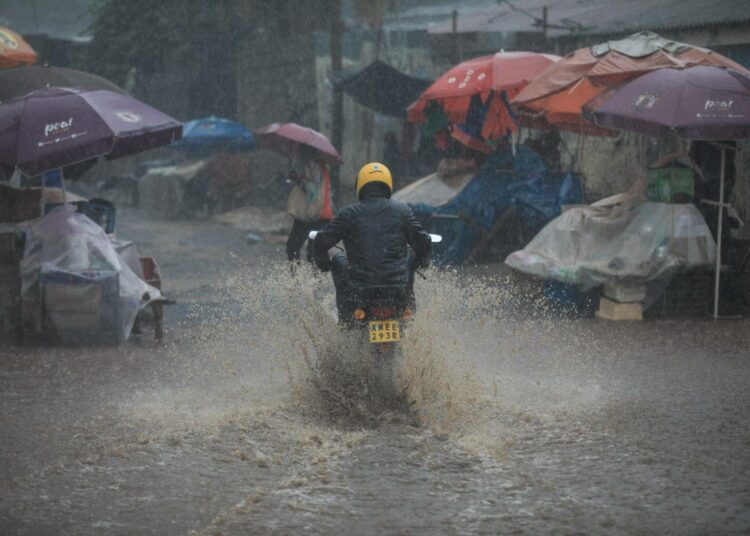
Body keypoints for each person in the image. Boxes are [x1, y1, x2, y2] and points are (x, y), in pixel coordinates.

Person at [312, 162, 432, 322]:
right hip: (396, 292)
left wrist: (324, 264)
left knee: (338, 258)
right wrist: (421, 261)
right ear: (388, 185)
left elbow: (321, 241)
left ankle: (346, 319)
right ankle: (408, 309)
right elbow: (423, 241)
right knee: (410, 259)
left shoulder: (349, 213)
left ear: (360, 187)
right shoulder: (402, 211)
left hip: (361, 291)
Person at [286, 145, 334, 264]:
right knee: (311, 250)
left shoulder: (314, 166)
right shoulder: (318, 166)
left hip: (314, 214)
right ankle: (307, 278)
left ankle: (298, 278)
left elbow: (312, 191)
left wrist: (298, 180)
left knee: (295, 247)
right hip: (318, 214)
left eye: (300, 151)